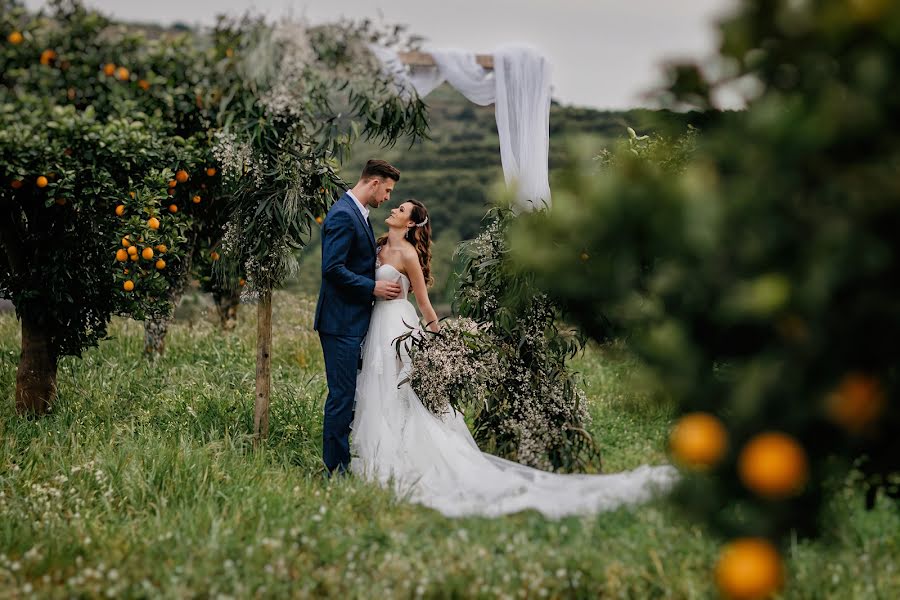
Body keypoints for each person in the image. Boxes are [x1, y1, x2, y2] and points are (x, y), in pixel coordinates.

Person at [349, 198, 677, 518]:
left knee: (400, 393)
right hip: (376, 324)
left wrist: (439, 343)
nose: (393, 209)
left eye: (401, 209)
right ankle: (373, 453)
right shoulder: (379, 248)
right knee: (378, 389)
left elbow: (424, 303)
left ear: (409, 224)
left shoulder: (407, 254)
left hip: (399, 327)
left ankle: (399, 459)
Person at [314, 159, 403, 475]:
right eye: (388, 190)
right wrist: (373, 287)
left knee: (349, 394)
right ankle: (334, 469)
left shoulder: (359, 215)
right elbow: (332, 269)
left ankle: (344, 462)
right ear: (374, 182)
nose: (387, 199)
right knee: (341, 396)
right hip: (339, 323)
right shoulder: (342, 215)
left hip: (352, 321)